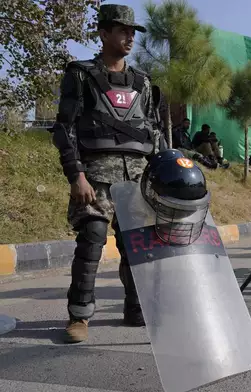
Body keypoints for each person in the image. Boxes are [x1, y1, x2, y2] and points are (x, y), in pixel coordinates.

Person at [49, 4, 166, 343]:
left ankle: (135, 307)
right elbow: (64, 129)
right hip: (97, 180)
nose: (129, 36)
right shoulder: (81, 75)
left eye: (132, 32)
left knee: (137, 249)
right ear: (103, 33)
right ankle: (80, 316)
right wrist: (77, 176)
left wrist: (162, 177)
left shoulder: (143, 82)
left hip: (137, 180)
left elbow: (154, 134)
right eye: (122, 30)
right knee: (91, 243)